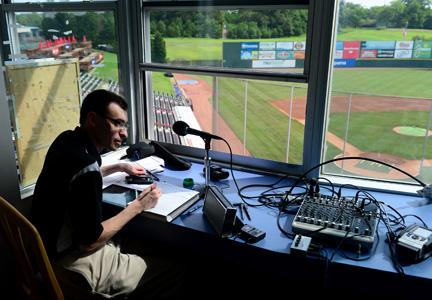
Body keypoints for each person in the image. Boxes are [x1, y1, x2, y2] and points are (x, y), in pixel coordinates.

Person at [31, 89, 182, 299]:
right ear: (92, 119)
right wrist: (139, 206)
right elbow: (89, 241)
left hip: (45, 251)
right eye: (117, 123)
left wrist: (119, 167)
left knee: (144, 243)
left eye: (124, 125)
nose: (124, 133)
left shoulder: (66, 140)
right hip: (69, 262)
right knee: (175, 270)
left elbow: (74, 177)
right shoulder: (87, 167)